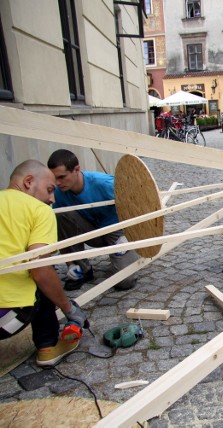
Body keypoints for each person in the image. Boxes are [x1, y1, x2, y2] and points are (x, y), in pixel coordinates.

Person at [1, 160, 89, 366]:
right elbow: (40, 271)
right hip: (6, 320)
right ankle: (47, 347)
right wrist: (68, 308)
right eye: (49, 190)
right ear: (28, 181)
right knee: (45, 273)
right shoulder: (38, 211)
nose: (51, 199)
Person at [47, 149, 139, 291]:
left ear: (76, 169)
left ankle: (126, 256)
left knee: (125, 282)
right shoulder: (58, 194)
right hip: (91, 231)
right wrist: (70, 264)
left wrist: (130, 235)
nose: (57, 183)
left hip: (116, 231)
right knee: (59, 215)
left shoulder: (105, 184)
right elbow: (61, 233)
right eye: (54, 178)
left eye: (61, 177)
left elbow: (138, 203)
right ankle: (82, 269)